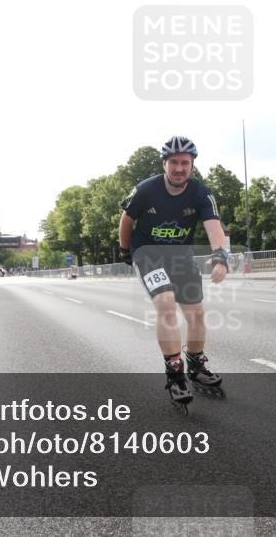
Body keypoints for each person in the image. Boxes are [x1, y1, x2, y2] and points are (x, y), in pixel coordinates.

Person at [118, 136, 229, 407]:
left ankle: (196, 365)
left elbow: (213, 226)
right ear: (164, 164)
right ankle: (175, 372)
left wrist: (220, 256)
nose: (179, 168)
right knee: (166, 302)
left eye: (185, 163)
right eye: (174, 162)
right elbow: (127, 219)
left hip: (180, 256)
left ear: (192, 165)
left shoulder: (201, 193)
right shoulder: (146, 190)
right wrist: (124, 249)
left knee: (196, 313)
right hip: (148, 253)